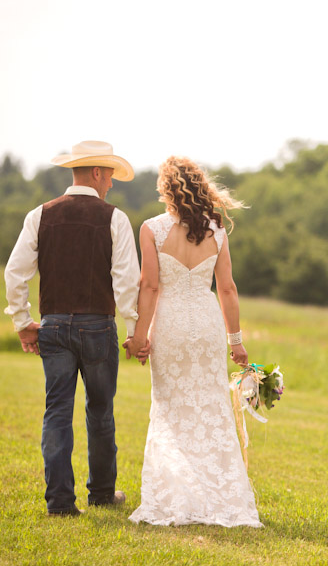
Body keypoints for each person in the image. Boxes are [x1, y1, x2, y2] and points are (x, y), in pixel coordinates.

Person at [4, 140, 141, 516]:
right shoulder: (114, 218)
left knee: (57, 412)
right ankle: (100, 493)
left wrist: (22, 321)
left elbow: (14, 273)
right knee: (100, 411)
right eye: (110, 175)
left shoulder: (40, 214)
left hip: (52, 326)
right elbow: (127, 280)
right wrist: (133, 328)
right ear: (97, 172)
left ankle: (60, 503)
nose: (111, 184)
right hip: (98, 326)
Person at [127, 156, 262, 527]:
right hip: (206, 326)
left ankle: (178, 496)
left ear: (165, 190)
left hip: (169, 325)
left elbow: (151, 286)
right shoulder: (216, 230)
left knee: (171, 410)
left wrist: (140, 337)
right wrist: (236, 342)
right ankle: (221, 497)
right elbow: (228, 289)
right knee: (211, 410)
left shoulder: (151, 229)